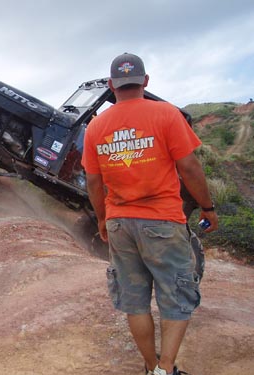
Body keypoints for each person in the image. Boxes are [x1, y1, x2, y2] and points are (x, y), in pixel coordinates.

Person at [82, 53, 219, 375]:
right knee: (176, 294)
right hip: (162, 220)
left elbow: (92, 179)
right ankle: (166, 368)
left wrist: (103, 219)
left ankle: (149, 366)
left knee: (135, 301)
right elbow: (188, 166)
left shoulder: (96, 127)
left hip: (119, 224)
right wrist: (208, 208)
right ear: (145, 81)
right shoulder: (166, 114)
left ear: (112, 85)